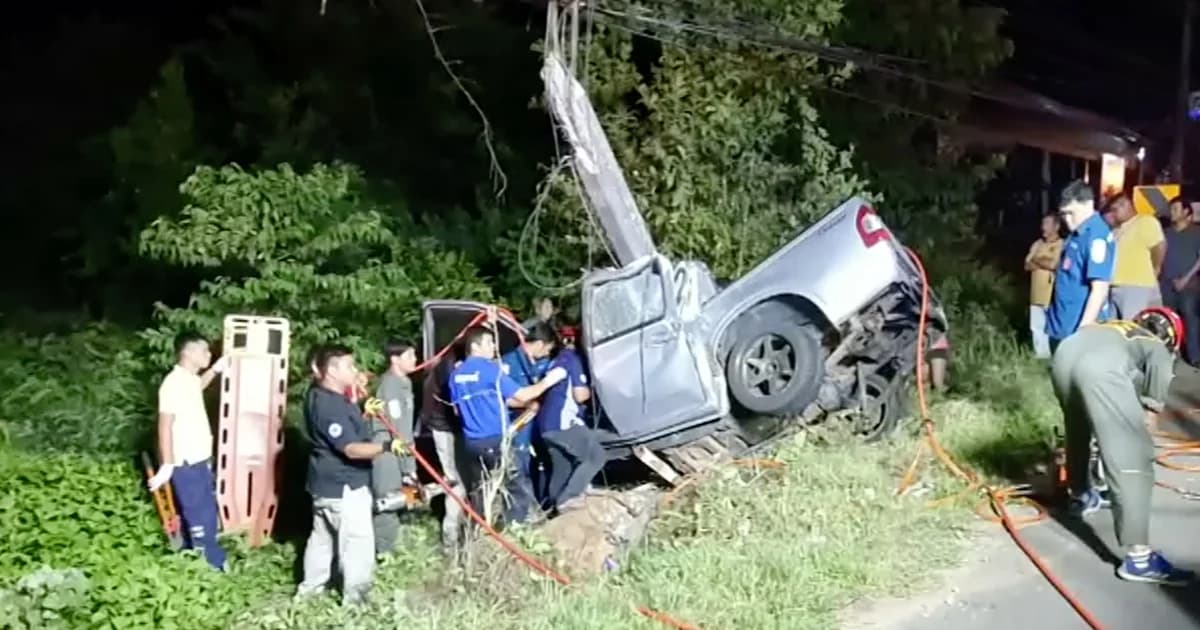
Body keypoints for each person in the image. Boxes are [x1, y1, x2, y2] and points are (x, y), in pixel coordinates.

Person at [1050, 307, 1194, 586]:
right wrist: (1146, 419)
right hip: (1099, 370)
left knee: (1078, 430)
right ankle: (1139, 559)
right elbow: (1154, 397)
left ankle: (1080, 495)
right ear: (1172, 339)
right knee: (1133, 455)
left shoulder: (1115, 328)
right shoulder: (1156, 345)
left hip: (1065, 355)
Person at [297, 344, 405, 605]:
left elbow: (345, 428)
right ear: (332, 371)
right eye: (349, 366)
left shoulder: (320, 395)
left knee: (322, 541)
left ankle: (309, 594)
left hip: (324, 486)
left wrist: (364, 413)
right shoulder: (329, 406)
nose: (355, 370)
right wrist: (387, 447)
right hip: (344, 487)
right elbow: (351, 449)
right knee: (358, 544)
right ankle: (356, 602)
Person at [449, 326, 567, 525]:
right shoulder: (489, 369)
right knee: (516, 486)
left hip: (472, 443)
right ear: (475, 346)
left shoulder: (456, 374)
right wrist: (549, 381)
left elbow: (458, 410)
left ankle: (479, 530)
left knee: (481, 490)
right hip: (496, 440)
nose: (494, 347)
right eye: (489, 342)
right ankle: (516, 528)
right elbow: (523, 394)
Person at [147, 331, 231, 571]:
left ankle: (198, 559)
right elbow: (165, 424)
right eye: (204, 350)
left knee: (207, 513)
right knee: (199, 518)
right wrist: (168, 464)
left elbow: (198, 387)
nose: (208, 354)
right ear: (188, 352)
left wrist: (214, 370)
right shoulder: (173, 383)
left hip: (199, 459)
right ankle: (209, 566)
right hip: (185, 463)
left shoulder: (189, 379)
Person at [535, 328, 606, 512]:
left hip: (546, 426)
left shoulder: (555, 361)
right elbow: (580, 395)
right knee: (595, 455)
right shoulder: (573, 360)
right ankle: (570, 497)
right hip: (562, 423)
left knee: (563, 468)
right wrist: (595, 389)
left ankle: (553, 508)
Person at [1046, 180, 1116, 353]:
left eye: (1071, 213)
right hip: (1062, 326)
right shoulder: (1077, 234)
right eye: (1064, 215)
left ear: (1088, 204)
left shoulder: (1096, 236)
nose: (1067, 220)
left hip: (1077, 332)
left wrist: (1084, 331)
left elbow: (1100, 289)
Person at [368, 339, 419, 557]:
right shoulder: (390, 386)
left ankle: (399, 547)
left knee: (407, 499)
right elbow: (397, 427)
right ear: (394, 359)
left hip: (401, 448)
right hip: (387, 451)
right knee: (388, 501)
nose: (415, 360)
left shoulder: (405, 383)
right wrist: (409, 467)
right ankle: (384, 554)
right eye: (409, 356)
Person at [501, 322, 558, 501]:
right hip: (518, 425)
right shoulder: (508, 363)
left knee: (547, 462)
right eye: (547, 349)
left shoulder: (543, 363)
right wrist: (526, 404)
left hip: (539, 425)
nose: (547, 353)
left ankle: (545, 502)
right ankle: (524, 509)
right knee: (520, 468)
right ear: (539, 344)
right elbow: (503, 398)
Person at [421, 354, 470, 554]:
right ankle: (451, 542)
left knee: (462, 484)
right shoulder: (449, 365)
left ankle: (460, 538)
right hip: (446, 428)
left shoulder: (452, 362)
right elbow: (457, 402)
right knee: (456, 484)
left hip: (455, 428)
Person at [1108, 194, 1166, 319]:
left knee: (1132, 325)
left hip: (1135, 285)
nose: (1114, 213)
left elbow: (1159, 246)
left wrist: (1156, 268)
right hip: (1116, 286)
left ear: (1128, 205)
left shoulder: (1145, 221)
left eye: (1117, 208)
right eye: (1112, 209)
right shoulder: (1116, 230)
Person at [1161, 196, 1200, 365]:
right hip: (1166, 284)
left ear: (1186, 212)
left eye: (1176, 209)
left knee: (1191, 320)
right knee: (1168, 321)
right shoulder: (1166, 233)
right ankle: (1169, 354)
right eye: (1171, 209)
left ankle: (1194, 356)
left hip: (1188, 285)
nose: (1172, 212)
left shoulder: (1196, 232)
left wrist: (1185, 278)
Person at [1025, 213, 1065, 359]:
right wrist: (1043, 261)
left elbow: (1053, 264)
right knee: (1036, 326)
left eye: (1047, 223)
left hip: (1052, 293)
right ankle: (1041, 355)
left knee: (1054, 326)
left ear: (1057, 226)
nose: (1043, 227)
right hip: (1036, 294)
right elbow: (1027, 265)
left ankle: (1058, 355)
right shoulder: (1037, 244)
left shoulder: (1061, 244)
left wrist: (1036, 259)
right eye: (1043, 223)